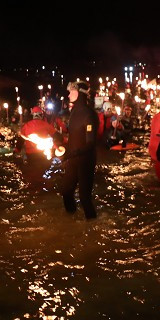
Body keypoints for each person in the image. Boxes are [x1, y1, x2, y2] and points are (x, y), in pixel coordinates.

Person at [59, 80, 99, 219]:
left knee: (84, 197)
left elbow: (91, 143)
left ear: (79, 93)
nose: (68, 95)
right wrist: (64, 151)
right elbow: (73, 137)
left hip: (86, 160)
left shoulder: (89, 114)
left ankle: (92, 227)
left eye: (71, 92)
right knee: (66, 191)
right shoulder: (74, 112)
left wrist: (73, 152)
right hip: (73, 159)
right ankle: (71, 220)